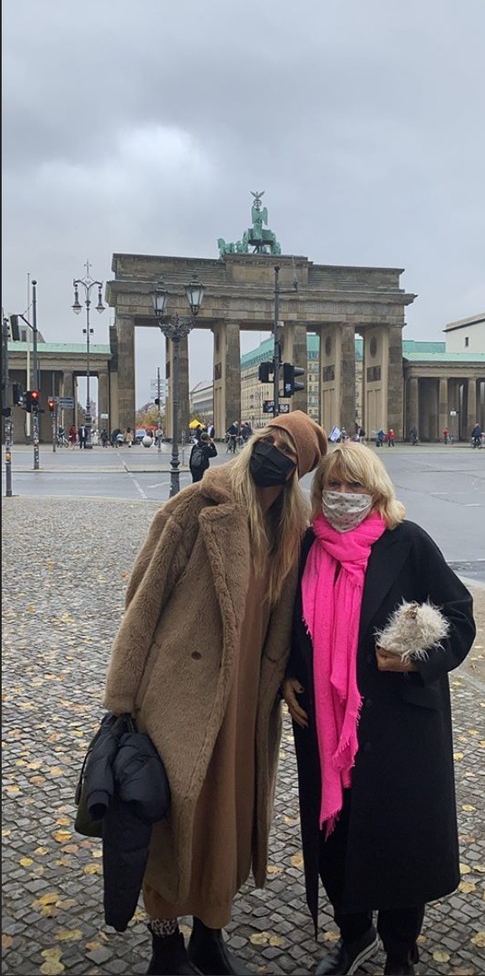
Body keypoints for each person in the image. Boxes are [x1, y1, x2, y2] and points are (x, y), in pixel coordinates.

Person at [103, 410, 328, 976]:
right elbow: (143, 599)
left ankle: (208, 933)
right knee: (169, 815)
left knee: (225, 819)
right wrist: (121, 700)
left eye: (286, 448)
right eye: (268, 437)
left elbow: (291, 623)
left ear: (297, 471)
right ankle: (164, 947)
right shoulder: (196, 508)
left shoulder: (290, 535)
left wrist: (286, 680)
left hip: (245, 700)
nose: (271, 449)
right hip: (179, 692)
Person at [283, 443, 475, 976]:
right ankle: (354, 934)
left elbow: (459, 617)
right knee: (336, 835)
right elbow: (288, 625)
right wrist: (286, 676)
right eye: (333, 487)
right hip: (325, 725)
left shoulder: (407, 543)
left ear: (377, 491)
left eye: (355, 486)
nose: (343, 497)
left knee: (396, 840)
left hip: (397, 725)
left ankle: (399, 950)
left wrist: (414, 661)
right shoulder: (308, 546)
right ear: (319, 494)